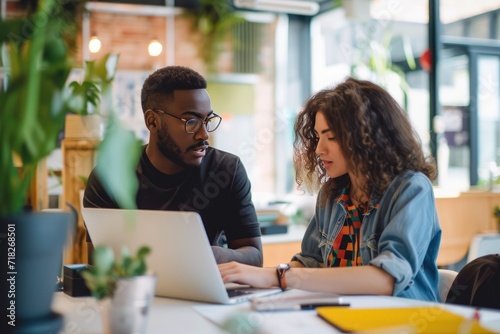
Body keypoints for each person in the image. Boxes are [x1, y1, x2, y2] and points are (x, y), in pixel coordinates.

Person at [219, 77, 442, 301]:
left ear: (369, 138)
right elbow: (309, 262)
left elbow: (386, 279)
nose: (318, 149)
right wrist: (260, 278)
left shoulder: (411, 189)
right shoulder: (332, 194)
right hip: (344, 317)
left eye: (332, 137)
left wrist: (278, 277)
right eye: (317, 137)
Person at [83, 66, 263, 266]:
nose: (204, 134)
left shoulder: (226, 170)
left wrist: (218, 256)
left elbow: (255, 256)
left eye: (207, 120)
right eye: (191, 121)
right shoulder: (110, 177)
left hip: (205, 292)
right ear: (153, 122)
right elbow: (98, 265)